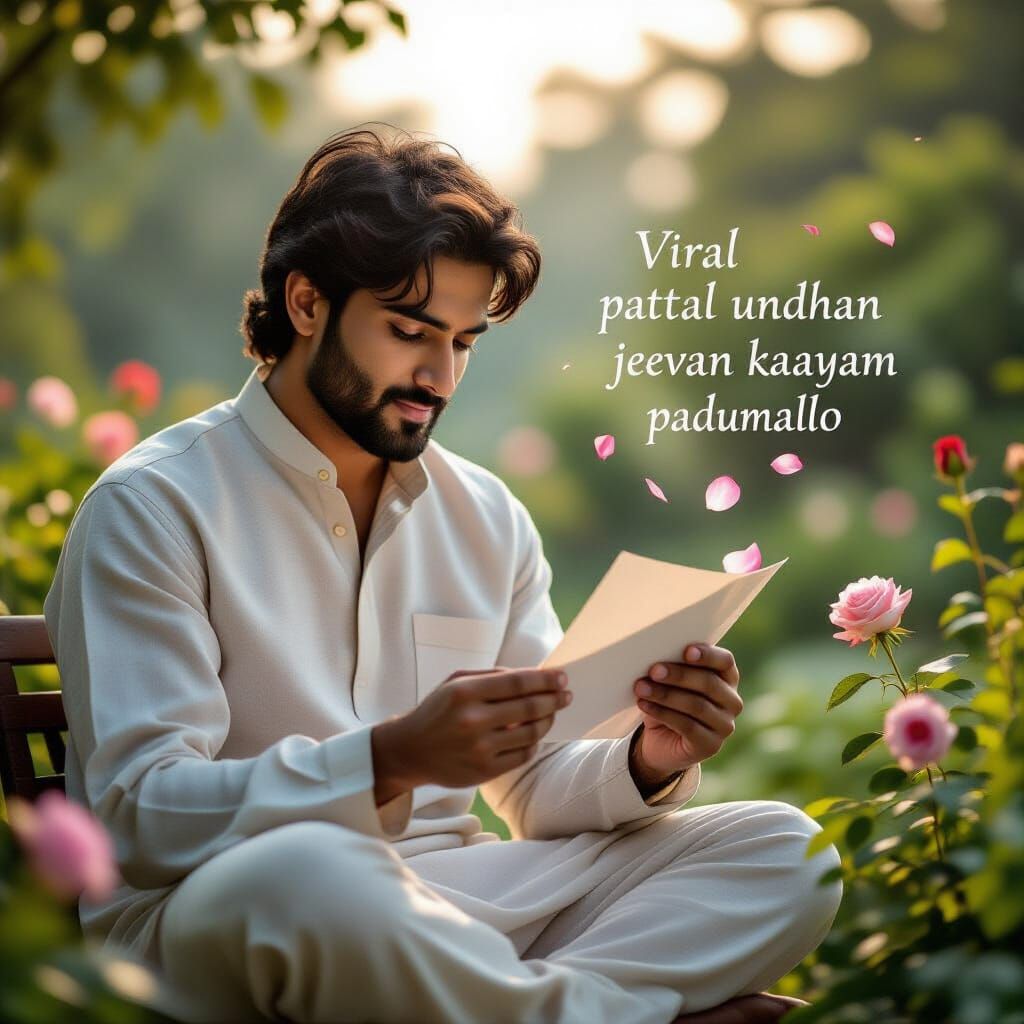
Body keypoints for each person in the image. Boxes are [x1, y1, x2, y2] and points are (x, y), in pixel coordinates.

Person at [43, 126, 843, 1024]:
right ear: (306, 302)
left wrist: (650, 756)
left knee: (783, 849)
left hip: (451, 906)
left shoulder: (486, 515)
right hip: (228, 915)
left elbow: (533, 788)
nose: (440, 375)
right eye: (409, 331)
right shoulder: (153, 506)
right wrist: (390, 759)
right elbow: (141, 818)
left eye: (463, 341)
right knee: (310, 870)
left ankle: (529, 1009)